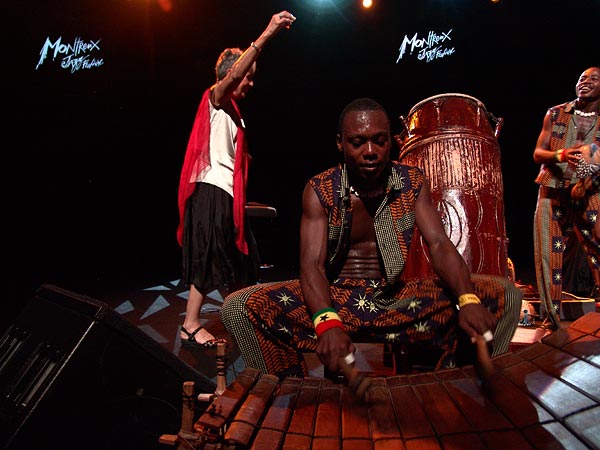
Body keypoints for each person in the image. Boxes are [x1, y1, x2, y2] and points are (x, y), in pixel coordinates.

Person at [221, 98, 521, 379]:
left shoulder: (410, 182)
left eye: (380, 141)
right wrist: (326, 321)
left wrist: (468, 299)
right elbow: (312, 264)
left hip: (395, 300)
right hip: (336, 299)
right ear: (340, 143)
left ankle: (458, 384)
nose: (370, 151)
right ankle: (290, 391)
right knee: (238, 306)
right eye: (357, 142)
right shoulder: (320, 189)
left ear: (391, 141)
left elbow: (440, 244)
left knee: (505, 294)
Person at [176, 11, 297, 347]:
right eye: (248, 76)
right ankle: (189, 323)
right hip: (211, 190)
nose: (251, 82)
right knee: (210, 256)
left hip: (227, 195)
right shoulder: (216, 99)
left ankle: (240, 319)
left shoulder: (233, 114)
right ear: (233, 74)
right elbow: (235, 73)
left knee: (244, 262)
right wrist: (269, 31)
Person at [532, 66, 600, 330]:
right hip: (552, 190)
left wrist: (591, 164)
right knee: (549, 253)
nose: (586, 82)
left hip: (589, 190)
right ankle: (552, 321)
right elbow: (538, 153)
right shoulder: (556, 112)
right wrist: (561, 155)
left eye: (594, 79)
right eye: (582, 78)